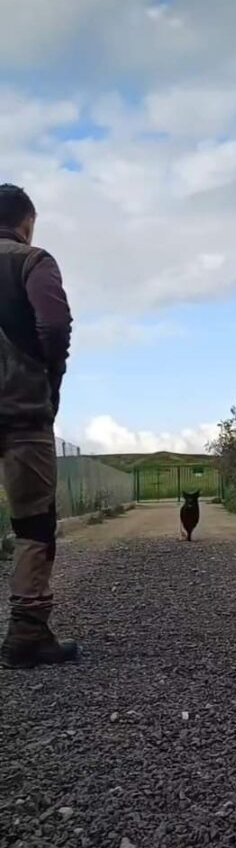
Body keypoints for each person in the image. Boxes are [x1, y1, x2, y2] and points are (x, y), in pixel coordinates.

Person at [0, 183, 78, 668]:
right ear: (26, 222)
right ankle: (27, 633)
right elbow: (54, 325)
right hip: (22, 411)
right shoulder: (33, 260)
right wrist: (50, 378)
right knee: (33, 523)